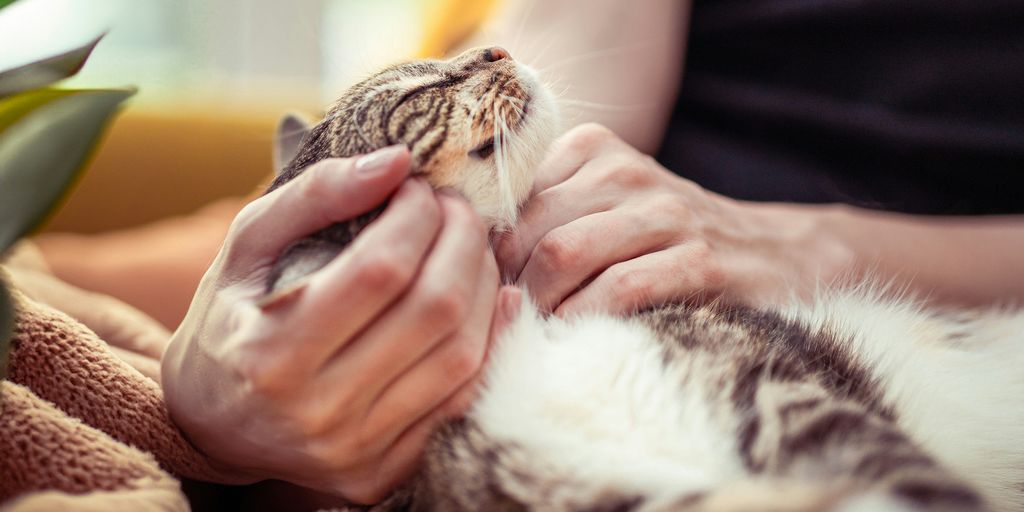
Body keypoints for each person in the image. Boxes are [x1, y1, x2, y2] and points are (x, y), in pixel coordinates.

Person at [37, 0, 1024, 505]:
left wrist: (813, 240)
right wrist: (209, 390)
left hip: (766, 304)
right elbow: (546, 61)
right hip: (574, 276)